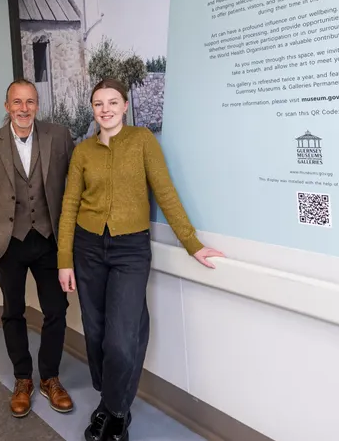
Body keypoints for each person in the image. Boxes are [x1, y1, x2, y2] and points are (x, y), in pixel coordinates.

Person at [57, 78, 225, 441]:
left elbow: (164, 191)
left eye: (112, 102)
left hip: (130, 250)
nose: (106, 109)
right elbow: (69, 205)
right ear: (93, 109)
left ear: (125, 105)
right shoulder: (82, 152)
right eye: (99, 103)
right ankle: (110, 402)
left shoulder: (142, 141)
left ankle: (115, 411)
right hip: (87, 248)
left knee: (122, 338)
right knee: (97, 333)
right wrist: (64, 259)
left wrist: (192, 243)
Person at [0, 78, 76, 418]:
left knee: (56, 311)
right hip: (9, 243)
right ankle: (22, 379)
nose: (24, 108)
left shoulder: (58, 136)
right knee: (12, 312)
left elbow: (73, 187)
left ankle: (49, 377)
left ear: (37, 105)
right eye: (17, 102)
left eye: (30, 102)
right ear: (7, 107)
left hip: (50, 241)